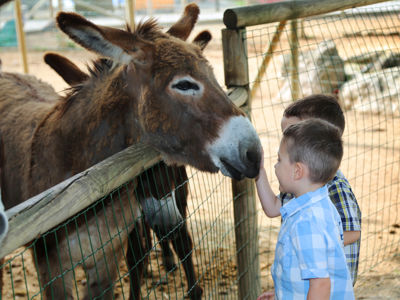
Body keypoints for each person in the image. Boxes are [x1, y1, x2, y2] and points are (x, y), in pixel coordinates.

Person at [256, 118, 355, 300]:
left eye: (279, 160)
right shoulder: (319, 205)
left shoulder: (307, 222)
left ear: (297, 171)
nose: (275, 166)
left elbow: (320, 285)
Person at [280, 94, 361, 286]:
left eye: (293, 133)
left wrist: (316, 245)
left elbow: (353, 231)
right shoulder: (299, 184)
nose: (285, 141)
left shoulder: (335, 187)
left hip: (331, 285)